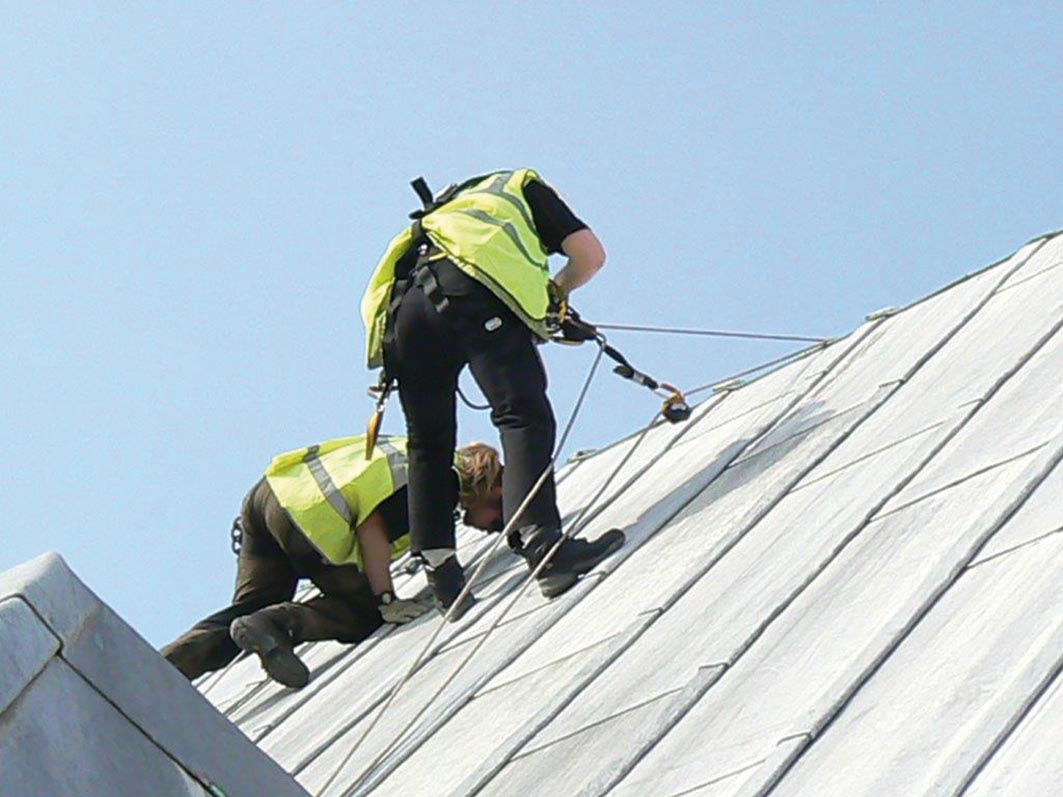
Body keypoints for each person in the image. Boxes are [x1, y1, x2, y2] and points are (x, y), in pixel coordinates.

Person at [360, 169, 625, 621]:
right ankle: (544, 546)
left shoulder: (450, 214)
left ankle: (442, 574)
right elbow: (590, 257)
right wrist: (555, 295)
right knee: (522, 413)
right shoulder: (525, 188)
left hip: (404, 318)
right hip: (469, 296)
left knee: (428, 442)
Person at [160, 435, 505, 688]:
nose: (496, 525)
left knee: (249, 609)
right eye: (499, 512)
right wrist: (385, 600)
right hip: (310, 518)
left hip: (271, 497)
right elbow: (373, 527)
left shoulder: (417, 448)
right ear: (491, 485)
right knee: (361, 612)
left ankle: (162, 668)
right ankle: (277, 624)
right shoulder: (439, 481)